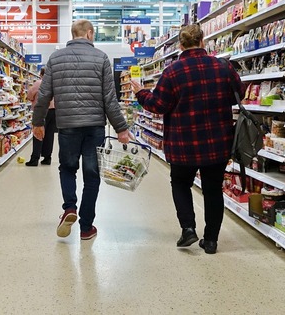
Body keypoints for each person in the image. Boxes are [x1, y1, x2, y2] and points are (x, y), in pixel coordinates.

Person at [131, 24, 241, 254]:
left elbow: (158, 105)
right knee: (213, 190)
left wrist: (140, 92)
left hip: (184, 143)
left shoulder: (173, 71)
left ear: (180, 45)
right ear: (203, 41)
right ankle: (211, 240)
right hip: (217, 141)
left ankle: (188, 228)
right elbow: (237, 95)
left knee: (180, 183)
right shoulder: (222, 66)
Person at [33, 19, 132, 241]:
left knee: (67, 169)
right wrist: (121, 128)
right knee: (92, 175)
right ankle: (86, 227)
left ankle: (69, 208)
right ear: (89, 34)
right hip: (94, 126)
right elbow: (110, 99)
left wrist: (38, 122)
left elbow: (44, 94)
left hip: (67, 125)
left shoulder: (55, 58)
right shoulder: (101, 58)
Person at [25, 68, 55, 166]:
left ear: (41, 74)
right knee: (49, 135)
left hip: (41, 111)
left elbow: (29, 95)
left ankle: (34, 159)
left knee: (38, 133)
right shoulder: (54, 83)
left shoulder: (38, 83)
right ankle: (47, 158)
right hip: (54, 111)